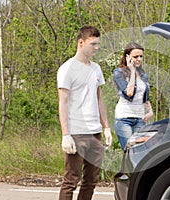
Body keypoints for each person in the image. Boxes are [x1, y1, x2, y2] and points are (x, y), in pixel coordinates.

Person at [57, 25, 112, 200]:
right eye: (93, 44)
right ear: (81, 43)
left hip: (95, 132)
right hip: (76, 132)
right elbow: (63, 102)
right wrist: (65, 134)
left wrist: (106, 127)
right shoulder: (67, 69)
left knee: (92, 180)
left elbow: (99, 99)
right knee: (71, 180)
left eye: (98, 44)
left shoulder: (96, 69)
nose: (96, 48)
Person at [113, 42, 153, 151]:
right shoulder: (119, 73)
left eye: (141, 56)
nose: (139, 59)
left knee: (141, 152)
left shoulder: (143, 75)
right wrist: (132, 71)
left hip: (140, 118)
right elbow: (129, 93)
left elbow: (144, 97)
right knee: (130, 152)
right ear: (127, 57)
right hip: (124, 118)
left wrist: (150, 111)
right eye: (135, 57)